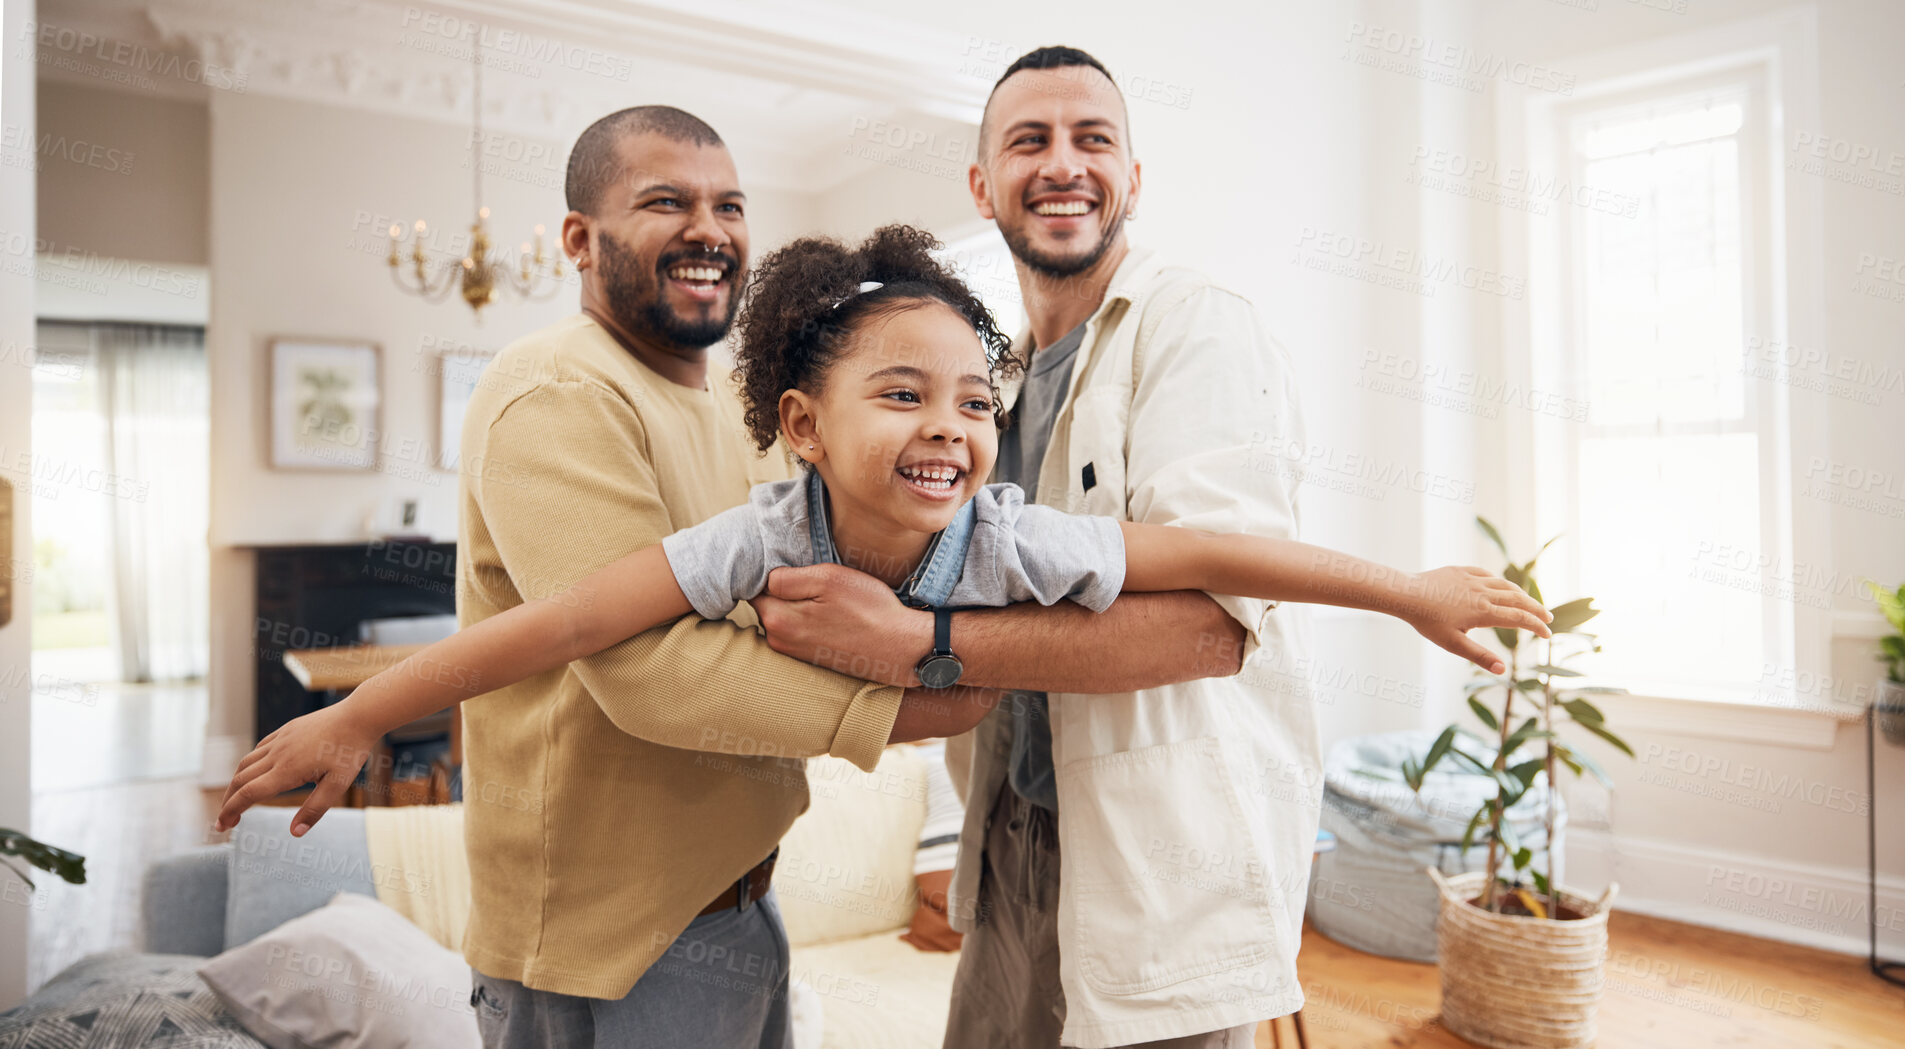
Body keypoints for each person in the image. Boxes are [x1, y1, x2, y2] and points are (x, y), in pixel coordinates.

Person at [216, 228, 1544, 850]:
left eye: (976, 402)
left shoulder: (1007, 540)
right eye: (902, 394)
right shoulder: (765, 531)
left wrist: (1406, 589)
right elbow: (563, 622)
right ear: (801, 422)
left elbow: (1209, 556)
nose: (952, 429)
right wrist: (358, 714)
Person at [746, 47, 1330, 1048]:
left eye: (1092, 139)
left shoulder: (1197, 330)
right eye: (1030, 141)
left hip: (1157, 858)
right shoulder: (986, 386)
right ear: (984, 185)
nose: (1063, 163)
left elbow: (1208, 632)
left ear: (1133, 181)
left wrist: (917, 640)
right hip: (1012, 832)